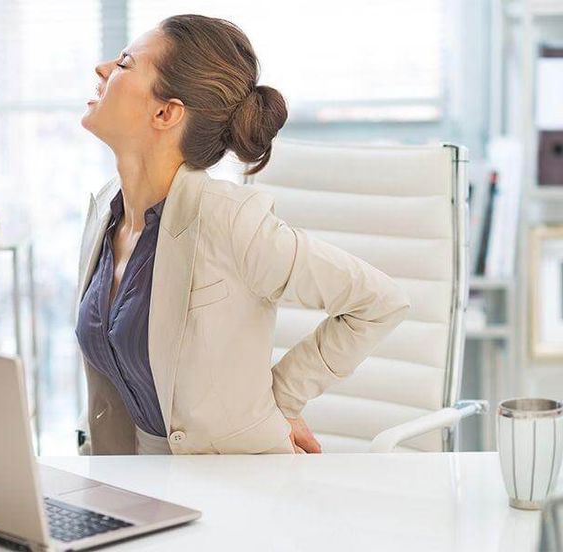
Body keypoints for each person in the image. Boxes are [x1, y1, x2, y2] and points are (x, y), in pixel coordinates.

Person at [74, 14, 410, 455]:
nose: (102, 68)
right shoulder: (105, 212)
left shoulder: (228, 220)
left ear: (165, 113)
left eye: (123, 64)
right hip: (139, 473)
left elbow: (379, 302)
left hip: (235, 477)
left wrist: (281, 399)